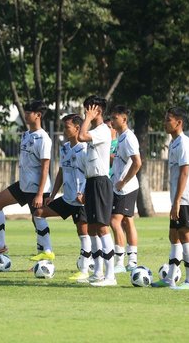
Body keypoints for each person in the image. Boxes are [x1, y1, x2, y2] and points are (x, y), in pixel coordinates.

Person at [0, 100, 53, 262]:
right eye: (26, 112)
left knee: (38, 219)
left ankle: (47, 254)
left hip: (37, 188)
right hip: (23, 185)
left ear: (38, 115)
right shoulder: (26, 135)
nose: (26, 115)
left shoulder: (43, 138)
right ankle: (0, 246)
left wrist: (40, 194)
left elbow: (45, 168)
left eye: (29, 113)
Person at [32, 114, 90, 280]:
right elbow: (62, 171)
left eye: (67, 127)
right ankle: (48, 251)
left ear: (77, 128)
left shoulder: (85, 149)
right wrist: (52, 194)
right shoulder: (64, 148)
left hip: (81, 201)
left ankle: (85, 270)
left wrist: (85, 195)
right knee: (39, 213)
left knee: (83, 233)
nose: (64, 130)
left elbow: (91, 175)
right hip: (67, 198)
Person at [152, 107, 189, 290]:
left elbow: (185, 174)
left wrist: (178, 201)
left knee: (185, 235)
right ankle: (170, 278)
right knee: (174, 236)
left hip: (186, 199)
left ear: (178, 122)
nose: (165, 123)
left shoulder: (185, 144)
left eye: (168, 120)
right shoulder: (173, 143)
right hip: (177, 199)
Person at [77, 95, 116, 286]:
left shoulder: (102, 130)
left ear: (97, 110)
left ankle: (111, 275)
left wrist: (87, 119)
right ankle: (98, 271)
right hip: (91, 182)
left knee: (101, 227)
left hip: (101, 183)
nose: (86, 113)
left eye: (88, 109)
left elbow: (81, 136)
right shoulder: (96, 130)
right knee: (92, 227)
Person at [109, 106, 142, 273]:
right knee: (127, 221)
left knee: (114, 221)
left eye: (115, 118)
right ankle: (132, 261)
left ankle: (120, 262)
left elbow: (137, 162)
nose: (112, 121)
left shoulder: (129, 137)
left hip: (126, 188)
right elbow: (121, 161)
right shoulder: (121, 137)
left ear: (124, 120)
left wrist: (123, 181)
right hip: (121, 188)